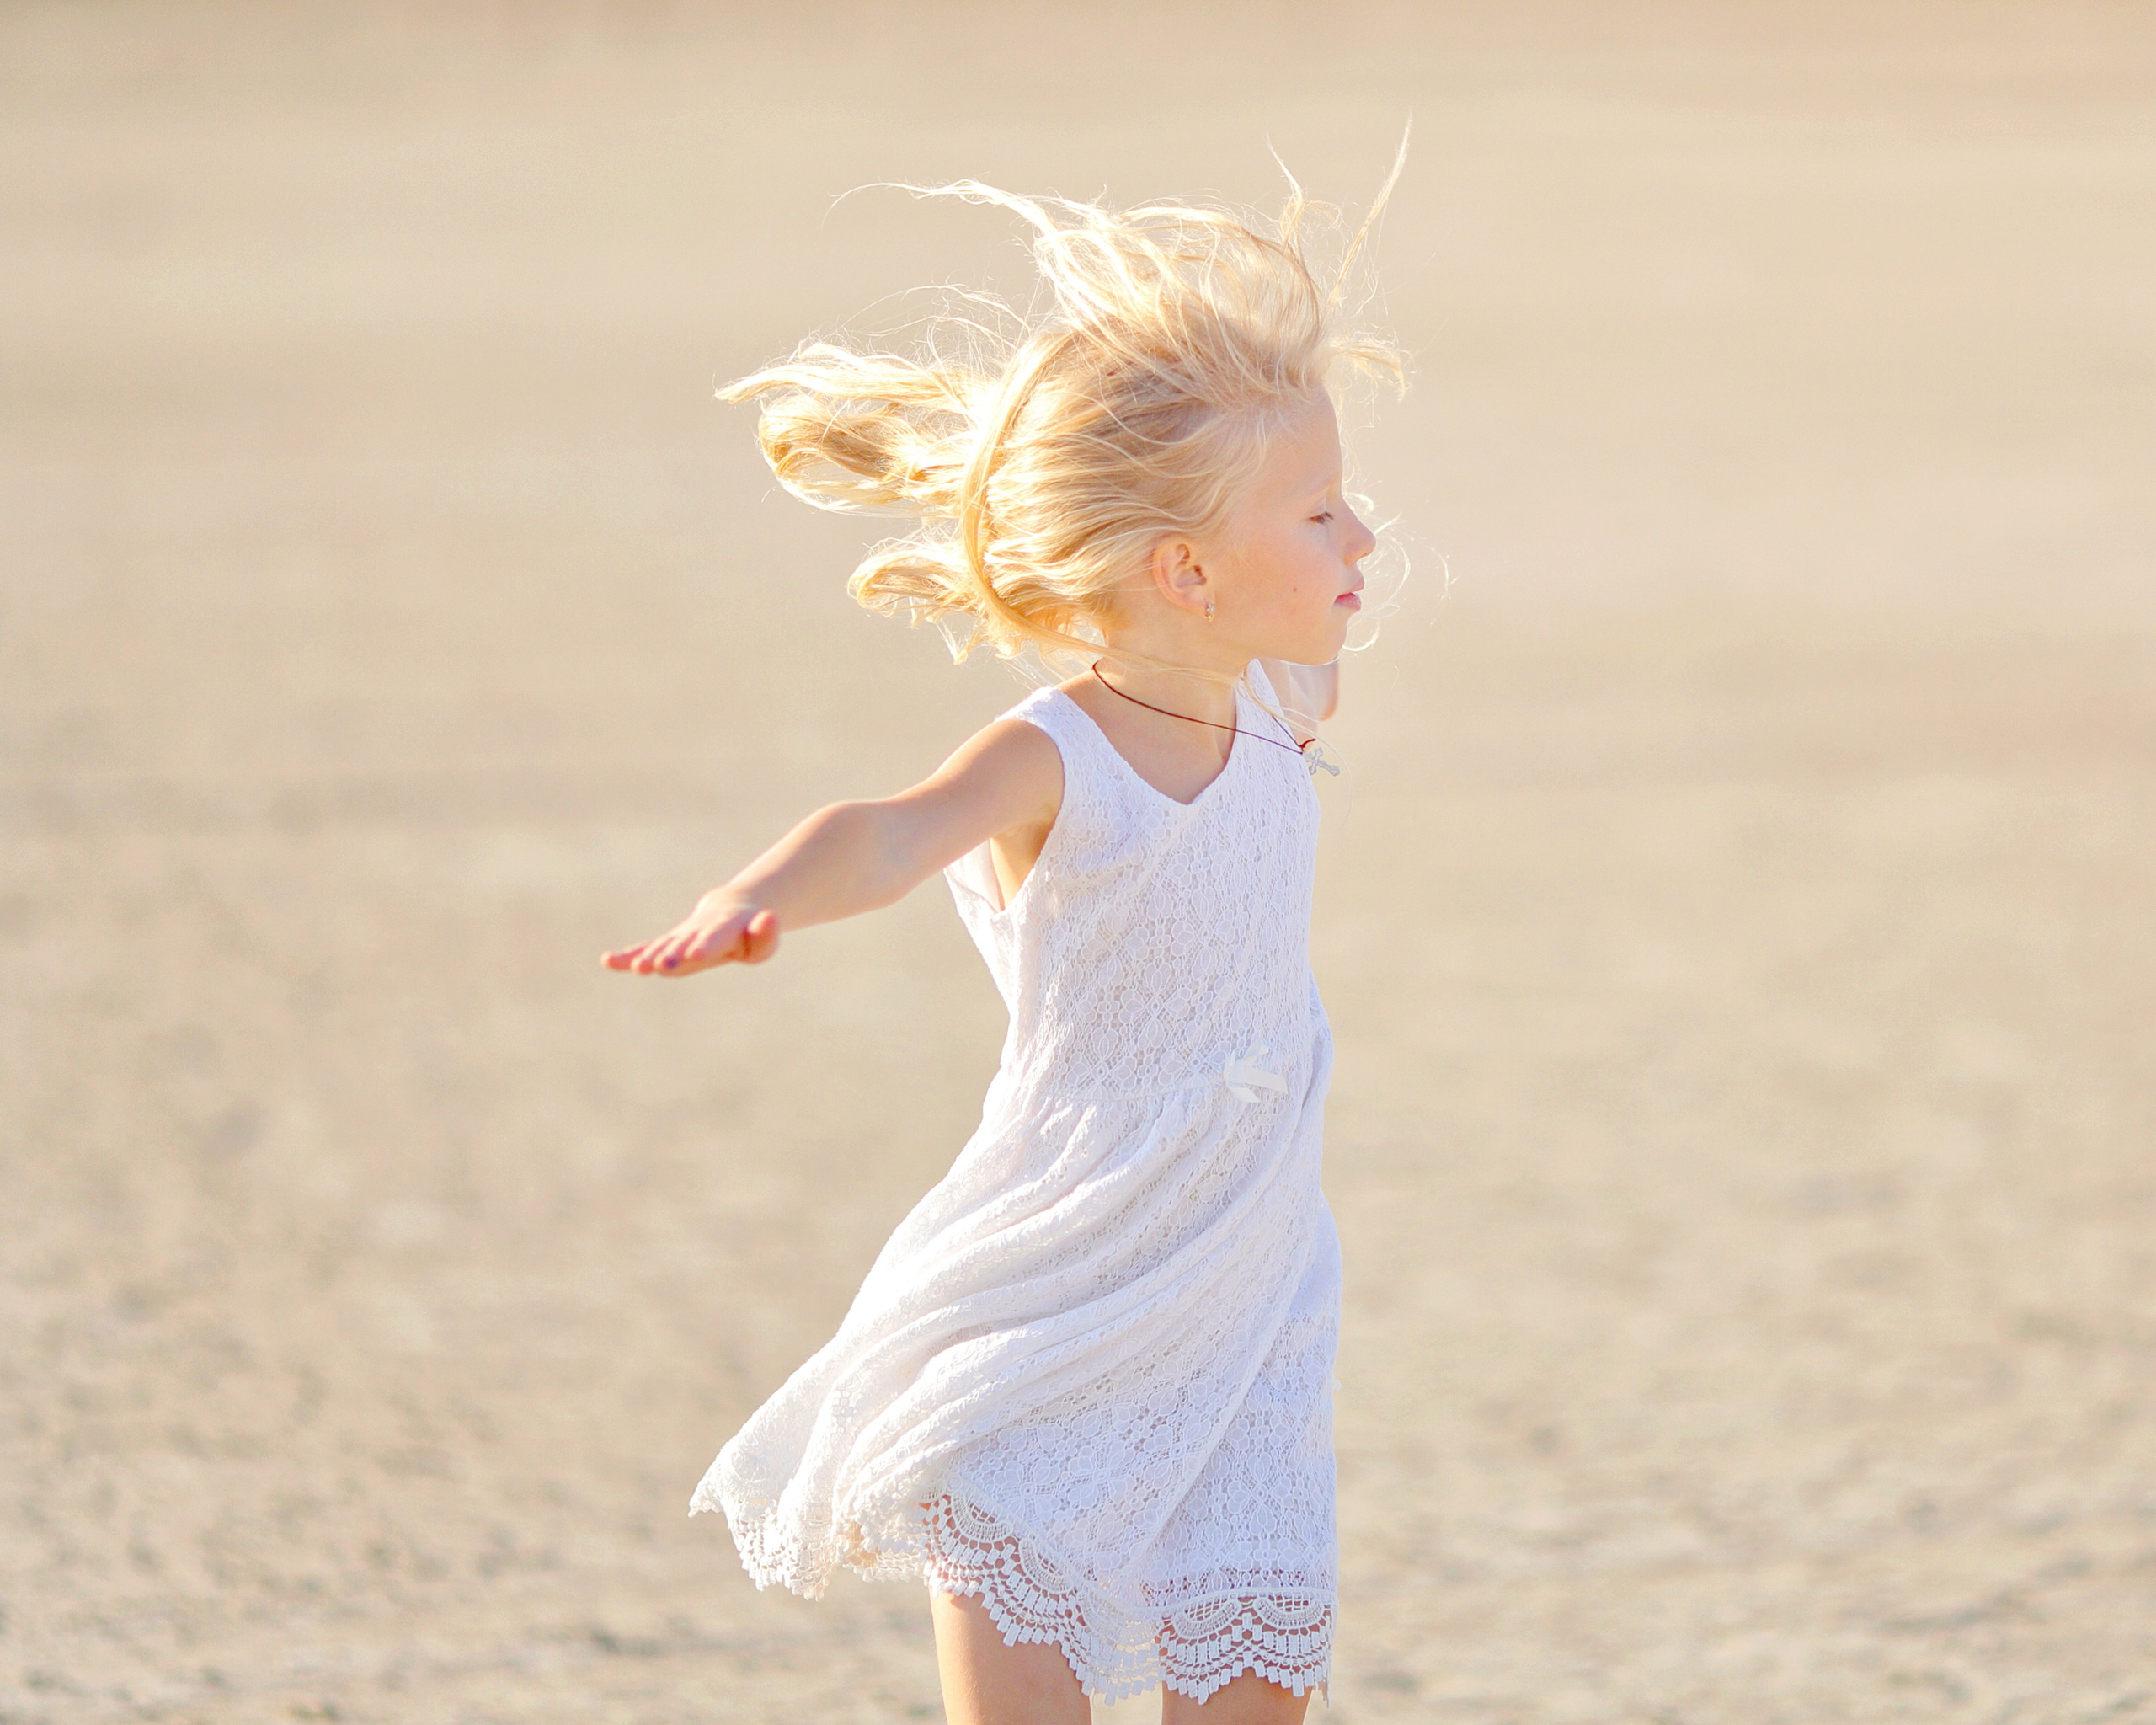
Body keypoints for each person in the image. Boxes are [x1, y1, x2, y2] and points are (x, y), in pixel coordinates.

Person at [602, 165, 1403, 1724]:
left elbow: (1296, 621)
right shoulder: (1062, 757)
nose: (1361, 533)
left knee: (1254, 1667)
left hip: (1251, 1271)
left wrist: (1298, 542)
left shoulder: (1283, 703)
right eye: (1317, 513)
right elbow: (891, 830)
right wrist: (753, 899)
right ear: (1184, 569)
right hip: (1071, 1257)